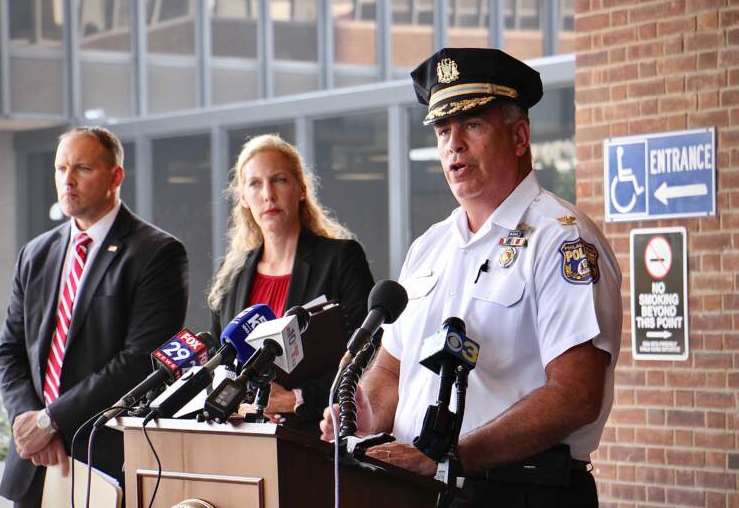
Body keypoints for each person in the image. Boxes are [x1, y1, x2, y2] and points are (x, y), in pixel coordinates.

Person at [321, 48, 622, 507]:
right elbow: (390, 367)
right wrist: (361, 411)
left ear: (520, 137)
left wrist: (450, 456)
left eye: (473, 125)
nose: (453, 144)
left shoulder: (562, 241)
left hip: (521, 492)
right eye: (443, 130)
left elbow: (576, 394)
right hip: (421, 488)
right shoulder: (429, 247)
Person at [0, 126, 189, 507]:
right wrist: (31, 424)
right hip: (34, 463)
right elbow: (8, 352)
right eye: (60, 168)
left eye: (81, 168)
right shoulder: (36, 253)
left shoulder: (157, 253)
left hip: (102, 459)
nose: (67, 180)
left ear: (115, 176)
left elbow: (139, 361)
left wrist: (53, 421)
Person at [208, 134, 374, 425]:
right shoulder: (230, 275)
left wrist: (296, 398)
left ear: (301, 188)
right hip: (242, 437)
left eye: (280, 180)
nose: (268, 194)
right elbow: (217, 365)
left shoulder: (341, 258)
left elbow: (367, 353)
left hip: (314, 435)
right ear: (244, 199)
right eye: (255, 184)